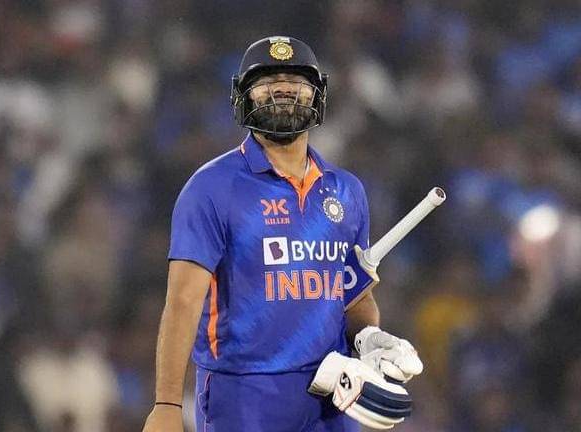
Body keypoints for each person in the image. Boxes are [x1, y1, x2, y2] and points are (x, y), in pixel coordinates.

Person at [142, 36, 424, 432]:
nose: (283, 92)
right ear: (243, 97)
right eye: (268, 83)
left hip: (333, 393)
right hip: (244, 393)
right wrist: (167, 403)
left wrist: (369, 337)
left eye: (296, 83)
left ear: (317, 95)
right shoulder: (211, 188)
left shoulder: (347, 191)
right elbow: (182, 302)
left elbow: (354, 296)